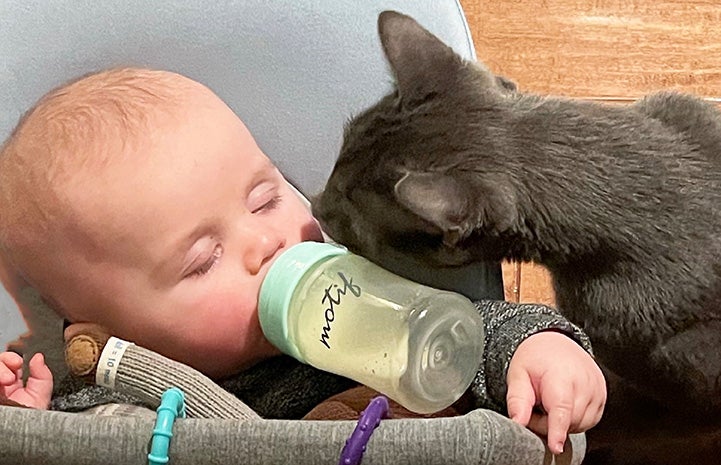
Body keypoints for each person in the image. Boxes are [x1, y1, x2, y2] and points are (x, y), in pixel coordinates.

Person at [0, 67, 605, 455]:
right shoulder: (127, 400)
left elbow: (469, 329)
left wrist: (538, 349)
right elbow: (88, 444)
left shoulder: (363, 288)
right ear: (109, 336)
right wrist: (33, 423)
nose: (266, 244)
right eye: (204, 260)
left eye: (265, 198)